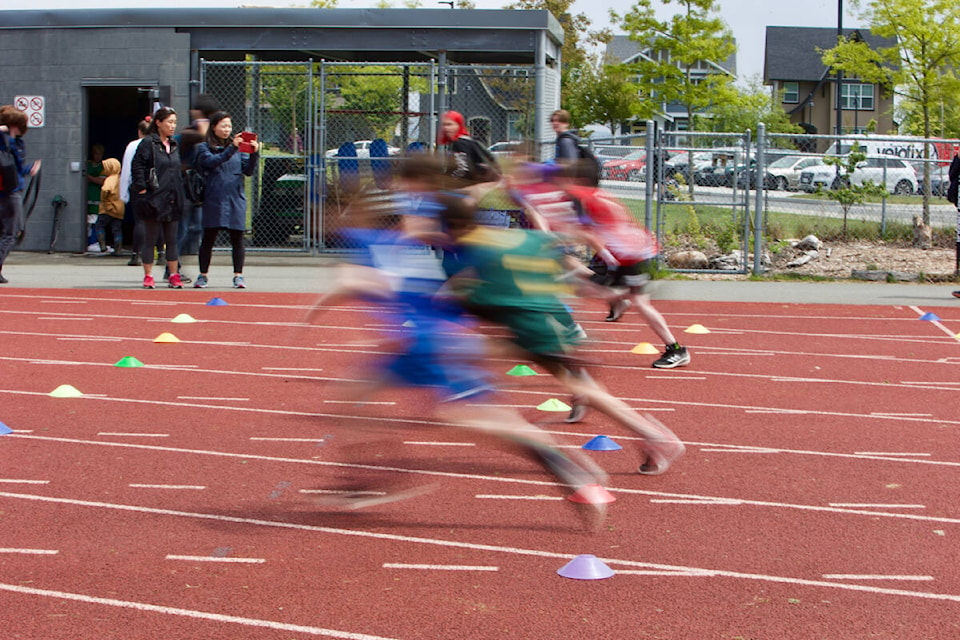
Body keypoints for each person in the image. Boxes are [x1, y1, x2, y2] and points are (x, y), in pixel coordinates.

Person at [307, 187, 608, 528]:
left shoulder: (364, 239)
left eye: (330, 211)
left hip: (424, 342)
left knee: (473, 418)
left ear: (349, 213)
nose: (326, 220)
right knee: (351, 395)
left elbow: (355, 279)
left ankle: (564, 466)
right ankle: (369, 481)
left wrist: (341, 296)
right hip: (427, 339)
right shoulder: (408, 240)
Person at [441, 197, 686, 476]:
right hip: (553, 320)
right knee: (585, 390)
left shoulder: (467, 253)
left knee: (462, 362)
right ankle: (653, 438)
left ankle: (641, 441)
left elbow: (463, 296)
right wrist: (597, 288)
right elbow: (559, 254)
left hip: (535, 326)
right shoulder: (515, 237)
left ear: (449, 228)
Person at [560, 161, 691, 369]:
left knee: (638, 303)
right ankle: (622, 299)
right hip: (622, 254)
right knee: (587, 287)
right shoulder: (594, 197)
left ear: (580, 181)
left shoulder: (589, 198)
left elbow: (588, 232)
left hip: (633, 255)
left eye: (569, 179)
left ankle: (676, 349)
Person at [194, 110, 259, 289]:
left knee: (237, 239)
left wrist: (254, 153)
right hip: (214, 197)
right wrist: (232, 148)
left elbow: (248, 170)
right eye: (223, 125)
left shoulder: (239, 148)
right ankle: (203, 275)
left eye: (229, 126)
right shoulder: (204, 147)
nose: (227, 129)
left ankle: (238, 275)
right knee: (208, 238)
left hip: (235, 197)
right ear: (213, 127)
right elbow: (212, 162)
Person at [131, 106, 184, 289]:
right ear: (159, 123)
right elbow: (137, 167)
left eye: (175, 122)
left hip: (172, 197)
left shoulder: (174, 145)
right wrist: (143, 189)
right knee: (151, 238)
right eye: (169, 122)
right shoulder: (148, 144)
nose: (172, 126)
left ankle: (173, 275)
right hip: (154, 197)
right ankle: (148, 275)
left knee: (171, 238)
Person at [174, 94, 220, 281]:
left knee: (196, 228)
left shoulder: (210, 134)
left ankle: (175, 262)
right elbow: (199, 137)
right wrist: (201, 123)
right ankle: (172, 267)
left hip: (199, 191)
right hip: (185, 189)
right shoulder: (190, 133)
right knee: (182, 230)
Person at [0, 106, 41, 284]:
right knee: (12, 231)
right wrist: (31, 169)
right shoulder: (15, 143)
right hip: (11, 191)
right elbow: (19, 167)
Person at [119, 118, 158, 266]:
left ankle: (136, 254)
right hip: (156, 185)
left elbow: (127, 169)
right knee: (158, 220)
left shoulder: (133, 145)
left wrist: (123, 192)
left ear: (139, 131)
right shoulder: (158, 144)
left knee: (140, 221)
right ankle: (160, 253)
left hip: (138, 186)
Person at [437, 110, 500, 185]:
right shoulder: (469, 140)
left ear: (459, 125)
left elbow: (463, 169)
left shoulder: (460, 143)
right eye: (444, 125)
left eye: (449, 124)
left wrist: (448, 182)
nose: (446, 128)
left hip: (473, 185)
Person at [93, 158, 124, 254]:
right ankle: (118, 249)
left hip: (108, 208)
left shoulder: (110, 179)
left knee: (99, 225)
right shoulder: (121, 178)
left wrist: (104, 200)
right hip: (119, 208)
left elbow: (106, 189)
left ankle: (102, 245)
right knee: (117, 229)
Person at [85, 143, 106, 252]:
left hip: (97, 198)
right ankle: (89, 243)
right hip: (87, 197)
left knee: (95, 221)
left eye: (100, 154)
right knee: (87, 222)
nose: (98, 156)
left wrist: (89, 177)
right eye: (96, 154)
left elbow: (102, 181)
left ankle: (94, 242)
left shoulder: (103, 166)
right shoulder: (87, 164)